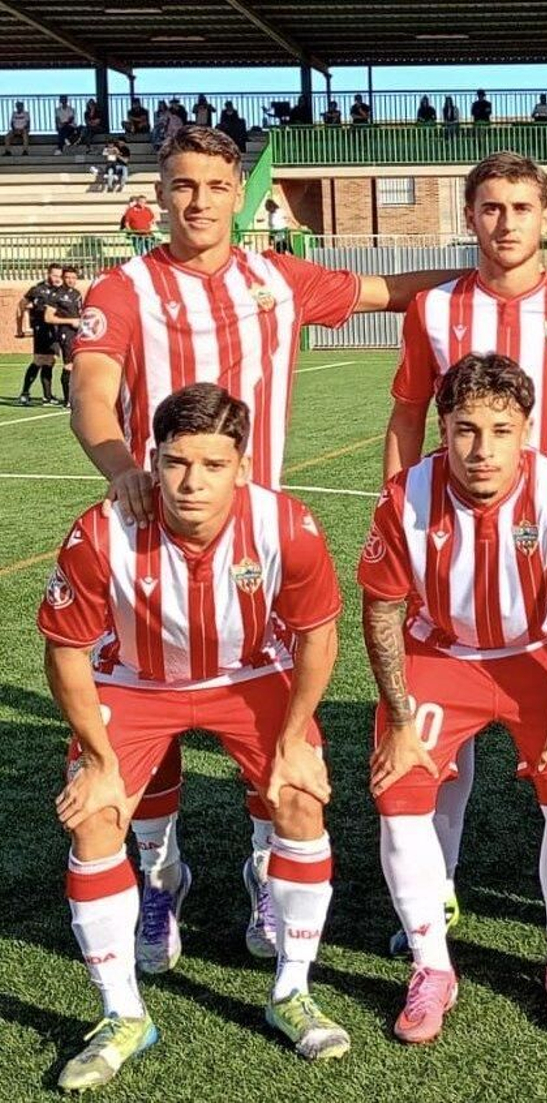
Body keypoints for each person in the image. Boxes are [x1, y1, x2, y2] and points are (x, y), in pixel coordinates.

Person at [69, 124, 456, 976]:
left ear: (240, 192)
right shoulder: (125, 289)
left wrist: (483, 276)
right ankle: (161, 874)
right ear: (160, 193)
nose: (199, 201)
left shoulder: (278, 279)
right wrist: (123, 467)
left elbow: (387, 290)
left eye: (215, 185)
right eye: (182, 185)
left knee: (271, 720)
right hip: (157, 533)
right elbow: (91, 392)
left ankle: (262, 873)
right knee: (149, 700)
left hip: (259, 548)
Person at [40, 382, 348, 1091]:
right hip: (135, 680)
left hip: (250, 674)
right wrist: (98, 760)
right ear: (152, 459)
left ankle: (292, 991)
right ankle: (123, 1014)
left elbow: (317, 635)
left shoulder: (286, 526)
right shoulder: (102, 531)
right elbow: (65, 651)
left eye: (213, 464)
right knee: (93, 815)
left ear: (242, 466)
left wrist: (293, 740)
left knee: (300, 798)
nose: (191, 482)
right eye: (176, 462)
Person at [381, 158, 547, 959]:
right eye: (491, 207)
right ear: (469, 216)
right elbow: (408, 416)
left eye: (522, 207)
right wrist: (404, 516)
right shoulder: (434, 310)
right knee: (442, 745)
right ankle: (438, 886)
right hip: (453, 544)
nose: (506, 222)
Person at [362, 353, 547, 1038]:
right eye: (466, 429)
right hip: (440, 653)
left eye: (501, 431)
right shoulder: (405, 496)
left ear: (526, 430)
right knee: (399, 794)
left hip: (536, 653)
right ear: (442, 427)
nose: (482, 449)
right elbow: (381, 612)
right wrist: (400, 721)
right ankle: (431, 966)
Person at [14, 263, 64, 405]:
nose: (57, 278)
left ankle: (47, 396)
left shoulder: (60, 290)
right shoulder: (37, 290)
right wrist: (19, 328)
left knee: (50, 361)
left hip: (55, 330)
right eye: (54, 275)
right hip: (41, 329)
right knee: (39, 360)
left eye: (59, 276)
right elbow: (20, 307)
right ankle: (24, 393)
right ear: (48, 274)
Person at [45, 265, 84, 407]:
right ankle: (67, 399)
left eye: (73, 277)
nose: (70, 280)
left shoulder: (77, 294)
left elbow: (80, 313)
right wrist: (70, 321)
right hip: (65, 333)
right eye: (67, 277)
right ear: (63, 278)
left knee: (79, 364)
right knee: (69, 365)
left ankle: (75, 395)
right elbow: (48, 318)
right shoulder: (56, 294)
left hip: (78, 332)